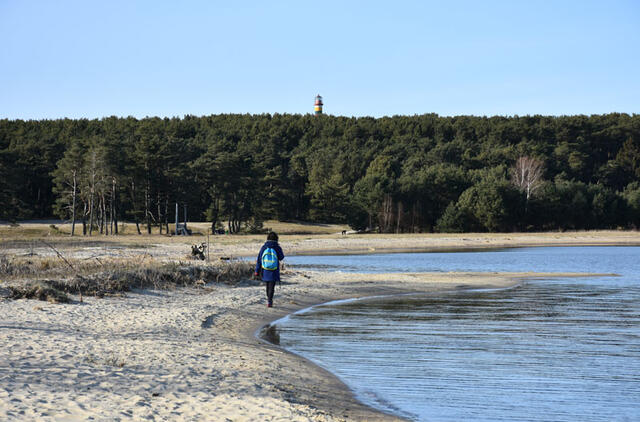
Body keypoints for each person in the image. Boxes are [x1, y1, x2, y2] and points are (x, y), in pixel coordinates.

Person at [254, 232, 285, 308]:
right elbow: (281, 257)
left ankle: (269, 299)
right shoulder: (277, 247)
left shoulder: (264, 247)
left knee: (267, 285)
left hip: (265, 269)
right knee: (272, 286)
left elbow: (259, 259)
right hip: (274, 270)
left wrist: (256, 271)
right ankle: (270, 301)